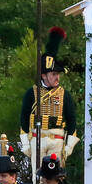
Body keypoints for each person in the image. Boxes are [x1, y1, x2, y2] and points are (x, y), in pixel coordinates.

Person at [20, 27, 79, 175]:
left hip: (57, 140)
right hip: (37, 139)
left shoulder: (64, 95)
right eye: (53, 74)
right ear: (44, 75)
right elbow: (24, 119)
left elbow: (72, 120)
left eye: (58, 74)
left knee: (55, 178)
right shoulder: (31, 93)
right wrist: (26, 143)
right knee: (37, 178)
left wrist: (69, 146)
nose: (57, 77)